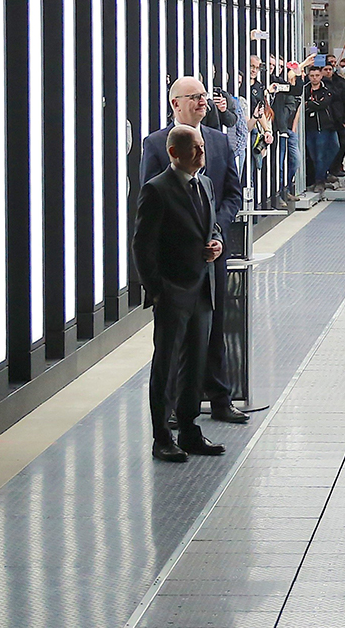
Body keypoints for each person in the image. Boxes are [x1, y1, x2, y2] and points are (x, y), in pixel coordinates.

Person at [138, 77, 248, 424]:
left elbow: (231, 192)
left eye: (205, 96)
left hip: (212, 257)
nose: (204, 102)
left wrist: (218, 231)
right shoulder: (156, 144)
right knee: (173, 342)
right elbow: (150, 205)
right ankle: (169, 410)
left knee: (213, 330)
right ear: (175, 103)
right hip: (176, 265)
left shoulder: (218, 141)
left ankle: (218, 398)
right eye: (195, 97)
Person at [133, 125, 227, 463]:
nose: (202, 155)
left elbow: (211, 225)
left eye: (202, 147)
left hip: (202, 289)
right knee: (167, 365)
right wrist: (158, 290)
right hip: (173, 292)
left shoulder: (204, 184)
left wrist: (217, 243)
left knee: (195, 364)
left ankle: (189, 429)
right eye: (195, 149)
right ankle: (162, 436)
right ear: (174, 153)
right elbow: (142, 246)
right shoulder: (157, 190)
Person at [302, 64, 342, 194]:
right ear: (308, 76)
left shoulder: (326, 88)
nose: (314, 78)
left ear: (321, 76)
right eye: (312, 76)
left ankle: (322, 175)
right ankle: (320, 179)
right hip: (311, 127)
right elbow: (302, 105)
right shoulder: (305, 89)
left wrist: (310, 104)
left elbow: (324, 103)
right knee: (316, 155)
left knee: (334, 148)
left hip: (327, 125)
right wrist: (312, 104)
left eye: (317, 75)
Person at [268, 62, 304, 209]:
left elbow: (296, 92)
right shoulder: (263, 82)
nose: (274, 67)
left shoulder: (280, 83)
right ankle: (276, 195)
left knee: (285, 163)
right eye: (269, 64)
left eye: (278, 66)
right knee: (273, 165)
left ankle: (284, 191)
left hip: (281, 129)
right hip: (270, 128)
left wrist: (299, 72)